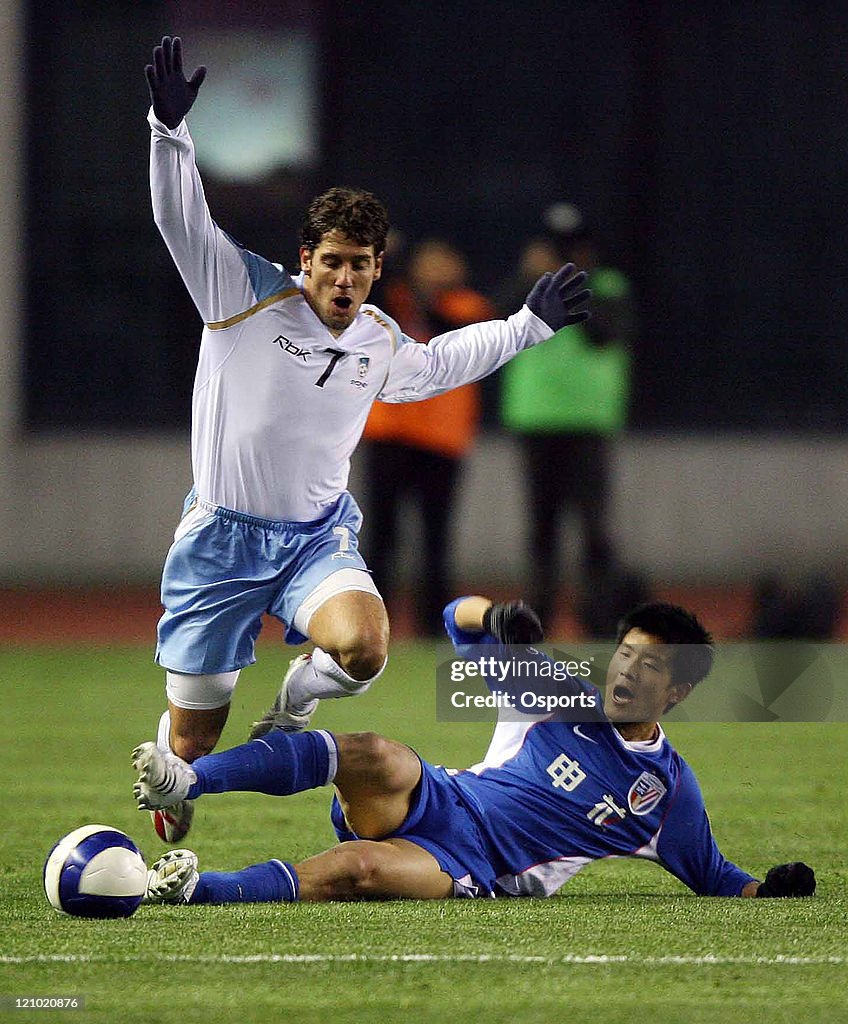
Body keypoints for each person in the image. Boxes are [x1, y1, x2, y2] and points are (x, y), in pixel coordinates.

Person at [140, 38, 591, 843]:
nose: (345, 281)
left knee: (366, 647)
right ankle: (186, 779)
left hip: (315, 537)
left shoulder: (378, 338)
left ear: (379, 269)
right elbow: (181, 220)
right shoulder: (241, 291)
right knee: (192, 743)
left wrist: (528, 326)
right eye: (333, 264)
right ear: (306, 259)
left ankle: (295, 702)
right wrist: (169, 134)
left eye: (362, 267)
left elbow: (440, 362)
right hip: (219, 542)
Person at [132, 596, 815, 904]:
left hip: (474, 863)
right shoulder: (556, 689)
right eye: (625, 654)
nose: (627, 672)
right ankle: (186, 780)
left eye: (651, 667)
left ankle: (192, 890)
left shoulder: (665, 793)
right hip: (440, 795)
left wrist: (771, 889)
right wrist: (492, 618)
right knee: (375, 750)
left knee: (358, 869)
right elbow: (453, 620)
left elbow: (713, 875)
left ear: (677, 694)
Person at [499, 206, 635, 634]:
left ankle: (599, 618)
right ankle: (536, 619)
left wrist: (569, 286)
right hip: (536, 418)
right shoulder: (527, 287)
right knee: (542, 528)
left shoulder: (609, 286)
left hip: (588, 421)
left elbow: (605, 334)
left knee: (594, 528)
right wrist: (531, 280)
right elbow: (494, 317)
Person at [362, 239, 497, 634]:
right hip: (390, 432)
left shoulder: (469, 307)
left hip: (442, 439)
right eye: (429, 262)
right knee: (381, 535)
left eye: (445, 262)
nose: (436, 270)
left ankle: (432, 626)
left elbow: (449, 332)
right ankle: (370, 622)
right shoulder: (391, 300)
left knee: (435, 539)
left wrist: (418, 288)